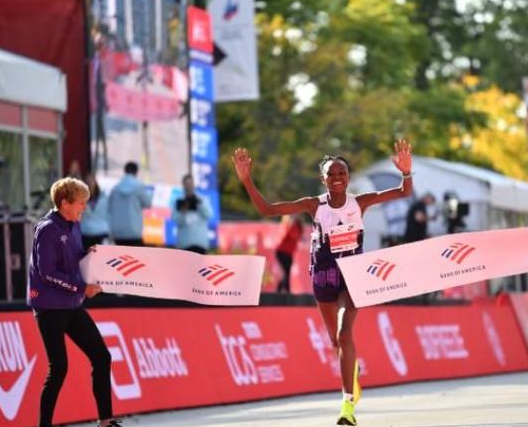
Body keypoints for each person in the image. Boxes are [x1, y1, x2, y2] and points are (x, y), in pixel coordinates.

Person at [233, 139, 413, 426]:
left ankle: (346, 408)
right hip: (324, 274)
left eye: (342, 173)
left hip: (353, 273)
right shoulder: (313, 205)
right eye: (331, 174)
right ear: (323, 179)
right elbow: (268, 210)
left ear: (348, 177)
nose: (337, 178)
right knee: (335, 341)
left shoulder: (360, 202)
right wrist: (246, 180)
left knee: (344, 335)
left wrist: (406, 172)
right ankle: (350, 371)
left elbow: (405, 192)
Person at [26, 177, 121, 427]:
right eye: (80, 203)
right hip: (49, 307)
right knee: (59, 368)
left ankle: (105, 421)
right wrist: (82, 287)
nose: (84, 207)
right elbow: (46, 272)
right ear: (64, 203)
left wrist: (88, 256)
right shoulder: (47, 229)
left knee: (101, 357)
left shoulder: (74, 224)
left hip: (70, 304)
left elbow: (72, 257)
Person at [108, 161, 151, 246]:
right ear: (136, 172)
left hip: (118, 232)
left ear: (125, 171)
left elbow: (109, 208)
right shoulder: (139, 186)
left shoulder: (115, 188)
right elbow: (148, 203)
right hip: (134, 231)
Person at [172, 174, 212, 254]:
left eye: (190, 184)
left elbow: (209, 215)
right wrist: (183, 213)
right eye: (186, 184)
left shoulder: (202, 199)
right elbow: (176, 220)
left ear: (194, 184)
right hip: (184, 244)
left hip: (200, 243)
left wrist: (199, 203)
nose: (189, 186)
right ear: (183, 185)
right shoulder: (179, 201)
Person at [80, 173, 110, 250]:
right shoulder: (80, 199)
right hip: (86, 233)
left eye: (91, 181)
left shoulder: (104, 197)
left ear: (95, 182)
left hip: (102, 233)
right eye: (87, 182)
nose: (90, 184)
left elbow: (110, 213)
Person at [275, 214, 303, 293]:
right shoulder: (287, 224)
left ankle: (280, 290)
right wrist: (291, 224)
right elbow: (289, 235)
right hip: (282, 251)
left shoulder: (297, 225)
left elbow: (297, 236)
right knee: (286, 272)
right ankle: (286, 291)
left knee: (287, 272)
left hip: (289, 252)